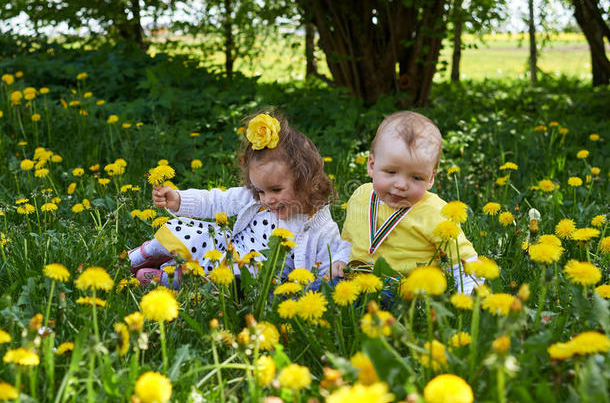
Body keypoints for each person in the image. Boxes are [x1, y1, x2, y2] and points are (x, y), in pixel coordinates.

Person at [128, 111, 351, 289]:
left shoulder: (321, 227)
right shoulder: (255, 197)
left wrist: (338, 268)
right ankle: (146, 253)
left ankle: (164, 277)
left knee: (217, 284)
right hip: (226, 248)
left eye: (276, 189)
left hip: (249, 277)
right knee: (188, 232)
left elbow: (335, 255)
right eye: (261, 191)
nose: (267, 199)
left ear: (306, 181)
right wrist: (178, 199)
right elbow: (215, 201)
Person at [341, 111, 479, 293]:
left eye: (416, 177)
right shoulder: (360, 196)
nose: (400, 185)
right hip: (355, 282)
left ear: (430, 178)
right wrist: (339, 261)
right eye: (391, 172)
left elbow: (463, 261)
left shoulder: (436, 212)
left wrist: (470, 296)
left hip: (405, 293)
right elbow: (348, 241)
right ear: (372, 166)